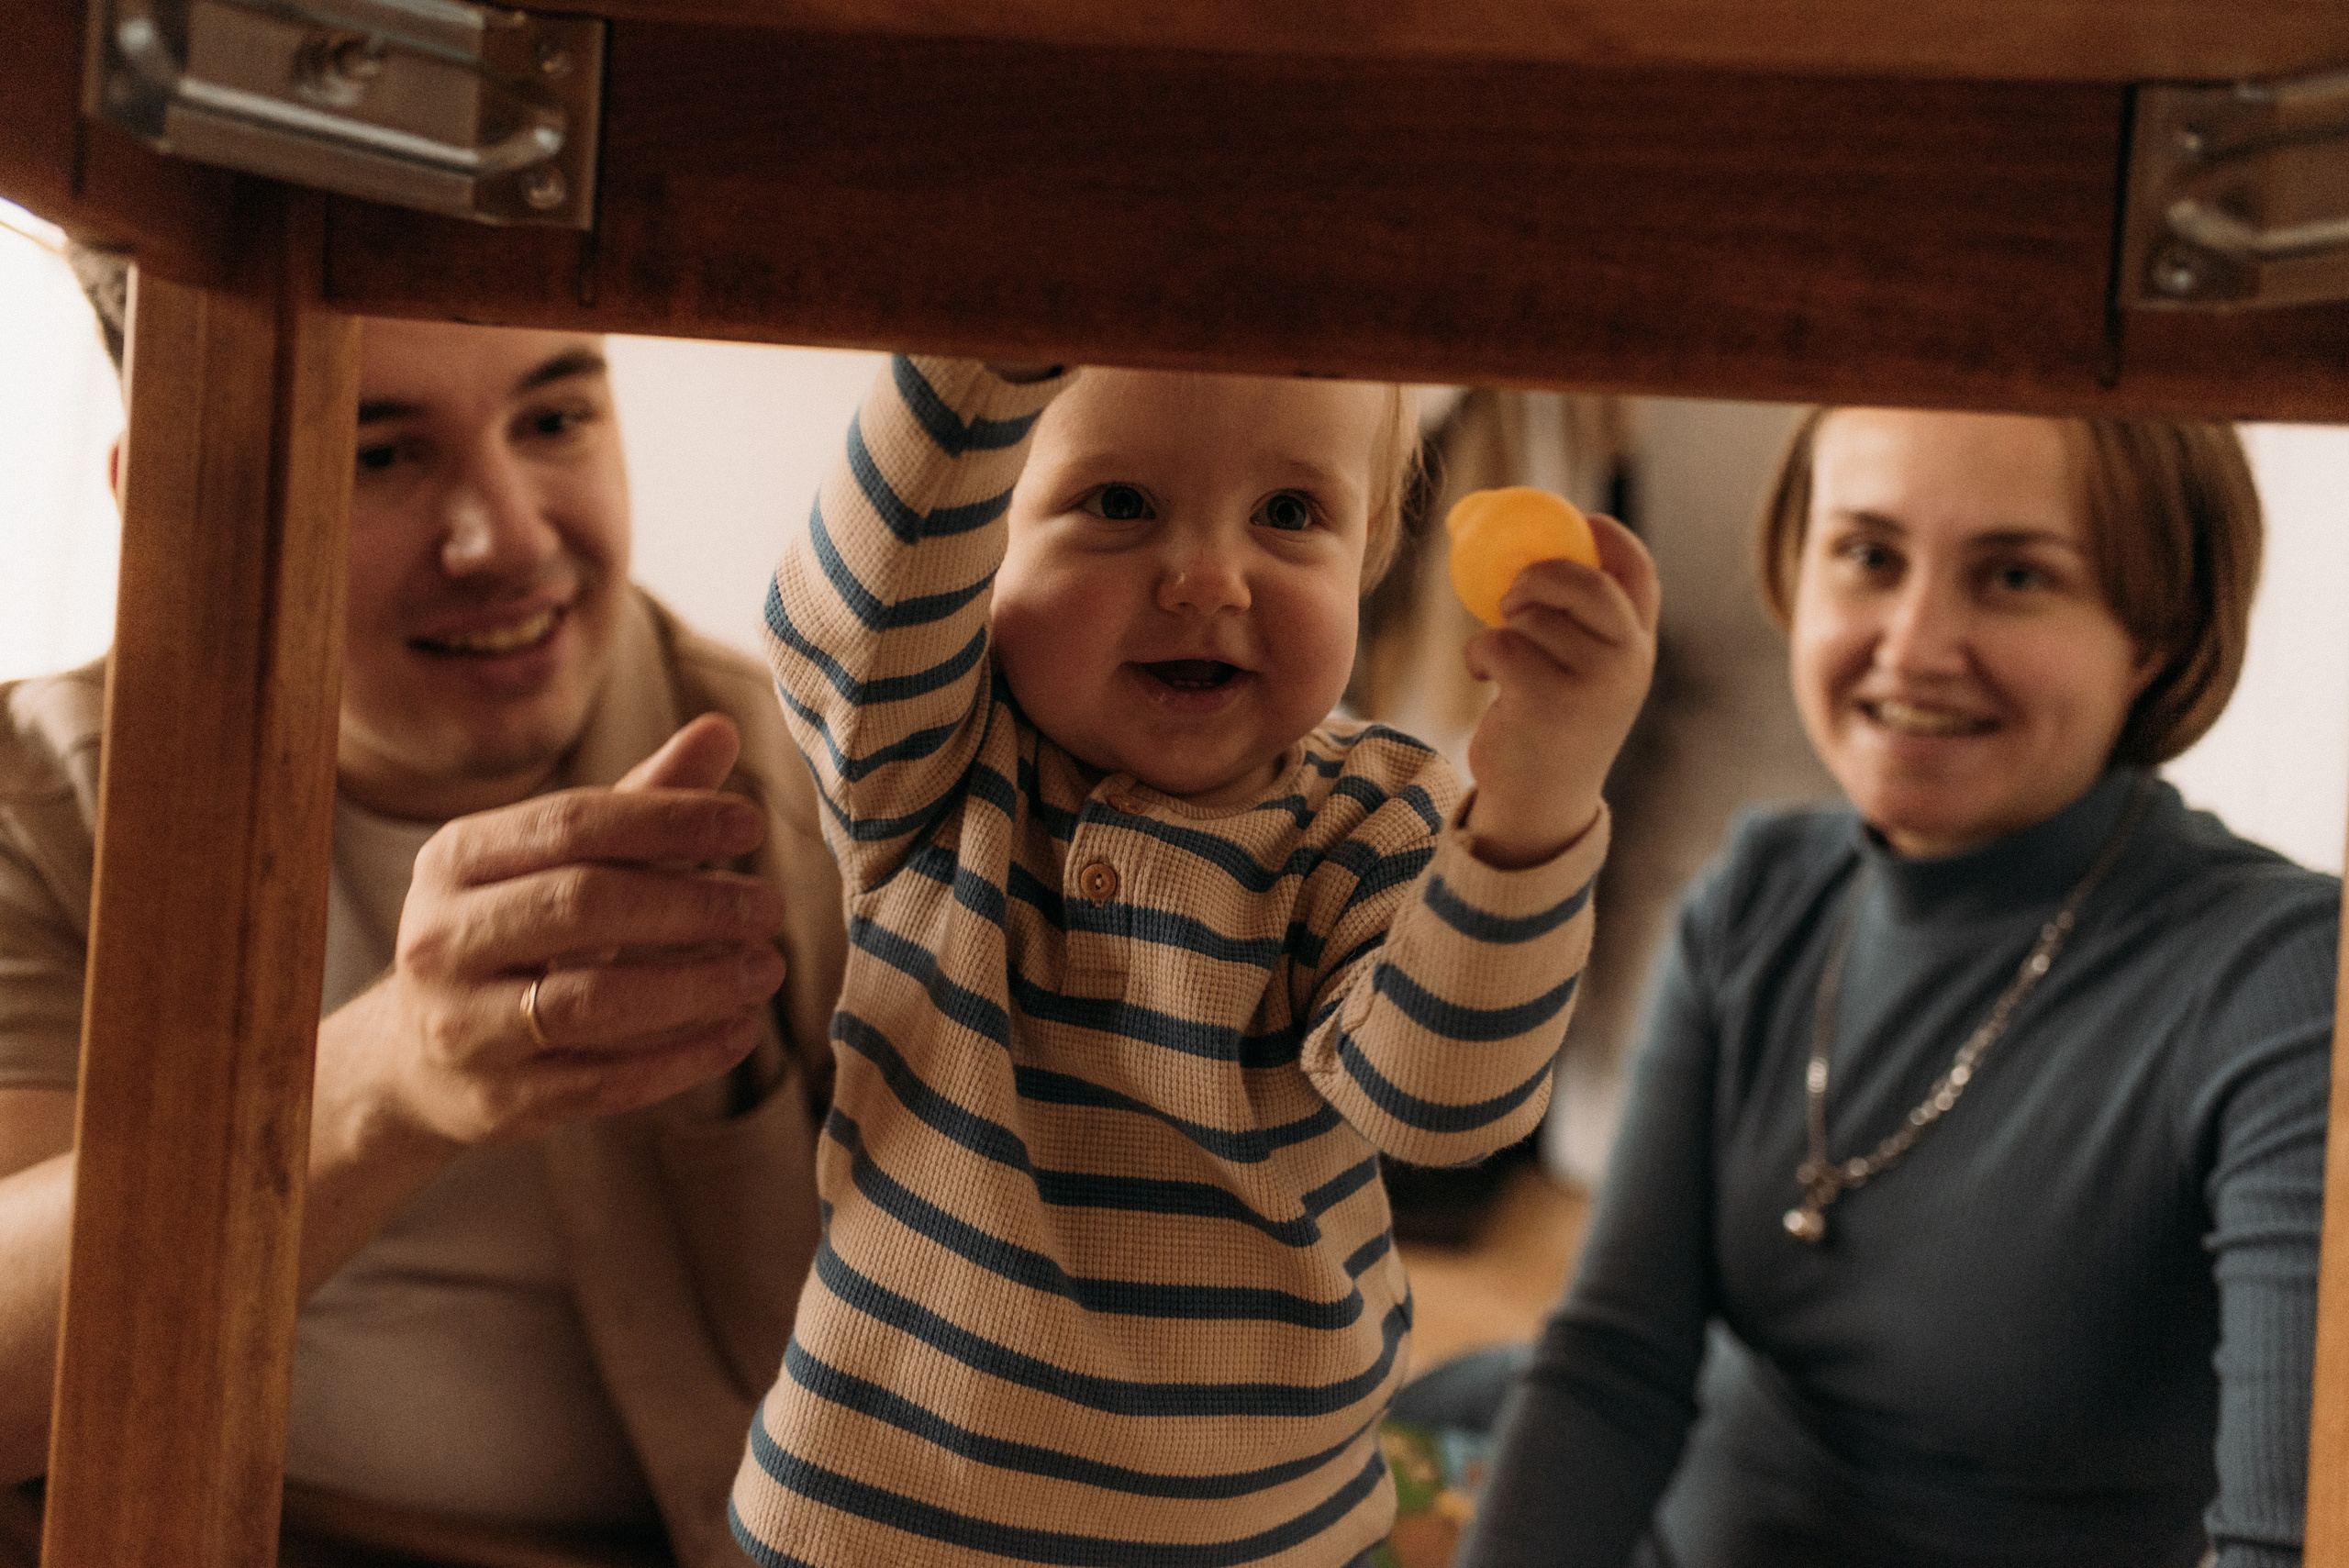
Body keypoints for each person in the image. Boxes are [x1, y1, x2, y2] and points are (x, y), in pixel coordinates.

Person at [725, 357, 1658, 1565]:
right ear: (983, 535)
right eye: (1118, 503)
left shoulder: (1382, 819)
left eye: (1289, 514)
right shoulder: (933, 765)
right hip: (886, 1520)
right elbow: (839, 614)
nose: (1209, 579)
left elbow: (1437, 1103)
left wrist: (1538, 793)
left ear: (1369, 549)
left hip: (1262, 1535)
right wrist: (986, 348)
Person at [0, 267, 847, 1568]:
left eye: (554, 421)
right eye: (382, 452)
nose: (501, 539)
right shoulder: (40, 802)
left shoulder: (825, 792)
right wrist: (390, 1080)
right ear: (171, 494)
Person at [1452, 408, 2334, 1567]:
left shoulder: (2287, 980)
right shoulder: (1755, 894)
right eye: (1868, 555)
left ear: (2156, 633)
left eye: (2014, 576)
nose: (1913, 644)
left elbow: (2282, 1541)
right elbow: (1615, 1363)